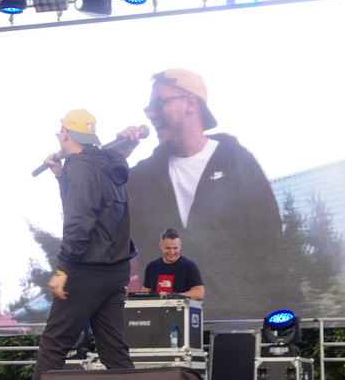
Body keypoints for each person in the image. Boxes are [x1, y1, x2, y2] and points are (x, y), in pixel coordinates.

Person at [0, 109, 137, 380]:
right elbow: (92, 208)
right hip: (115, 271)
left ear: (66, 134)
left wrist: (63, 269)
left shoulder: (80, 167)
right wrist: (60, 177)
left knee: (54, 344)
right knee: (114, 352)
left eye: (59, 132)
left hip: (87, 270)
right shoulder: (107, 165)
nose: (58, 137)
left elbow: (79, 221)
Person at [119, 69, 287, 319]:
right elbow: (102, 225)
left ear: (190, 103)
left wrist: (287, 315)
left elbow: (269, 246)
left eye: (160, 104)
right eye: (149, 109)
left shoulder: (236, 161)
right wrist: (115, 161)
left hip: (236, 318)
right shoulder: (141, 177)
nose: (152, 115)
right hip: (167, 320)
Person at [142, 228, 205, 301]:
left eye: (175, 248)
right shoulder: (151, 267)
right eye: (168, 248)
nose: (172, 252)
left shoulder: (189, 266)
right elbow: (145, 295)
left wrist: (174, 296)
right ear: (160, 246)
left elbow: (199, 293)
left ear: (180, 245)